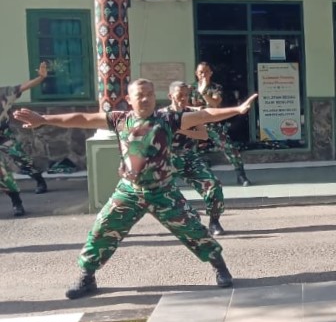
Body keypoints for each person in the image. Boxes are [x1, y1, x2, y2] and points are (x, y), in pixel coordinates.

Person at [13, 79, 258, 300]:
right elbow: (83, 118)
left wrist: (237, 110)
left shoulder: (168, 119)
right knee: (102, 229)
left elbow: (205, 115)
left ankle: (220, 267)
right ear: (129, 99)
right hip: (129, 191)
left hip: (163, 191)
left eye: (149, 94)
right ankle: (87, 277)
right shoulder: (120, 119)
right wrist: (44, 119)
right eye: (140, 95)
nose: (145, 98)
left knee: (193, 229)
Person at [165, 81, 227, 236]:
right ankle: (188, 218)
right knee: (160, 192)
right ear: (170, 96)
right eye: (180, 95)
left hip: (189, 157)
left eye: (186, 95)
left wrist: (182, 130)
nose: (183, 98)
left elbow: (203, 135)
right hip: (166, 159)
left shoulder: (192, 113)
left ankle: (214, 221)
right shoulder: (162, 115)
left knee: (213, 185)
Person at [190, 62, 251, 186]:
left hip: (212, 124)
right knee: (185, 149)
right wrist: (196, 108)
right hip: (195, 124)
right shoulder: (191, 88)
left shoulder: (215, 88)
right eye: (201, 72)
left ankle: (241, 175)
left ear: (211, 73)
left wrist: (203, 92)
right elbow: (186, 105)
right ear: (196, 73)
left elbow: (215, 104)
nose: (203, 75)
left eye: (206, 72)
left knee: (229, 148)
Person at [0, 62, 51, 196]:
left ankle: (40, 181)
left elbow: (23, 87)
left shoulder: (4, 93)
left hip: (3, 135)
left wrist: (41, 78)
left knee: (21, 158)